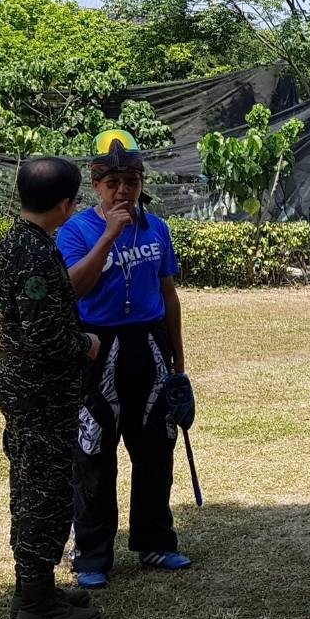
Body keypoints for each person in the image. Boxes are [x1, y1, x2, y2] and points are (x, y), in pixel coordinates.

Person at [59, 134, 191, 588]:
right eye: (112, 181)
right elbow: (72, 289)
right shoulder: (76, 231)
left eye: (131, 181)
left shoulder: (157, 228)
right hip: (98, 349)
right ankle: (93, 553)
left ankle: (155, 541)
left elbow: (169, 294)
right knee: (93, 451)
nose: (122, 191)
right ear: (96, 185)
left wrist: (179, 364)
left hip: (150, 347)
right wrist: (110, 235)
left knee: (156, 448)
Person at [0, 156, 103, 619]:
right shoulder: (33, 254)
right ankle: (36, 602)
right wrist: (86, 344)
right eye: (74, 201)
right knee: (45, 497)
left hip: (33, 395)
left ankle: (36, 588)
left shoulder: (18, 243)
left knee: (35, 492)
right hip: (40, 398)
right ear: (63, 204)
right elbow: (44, 336)